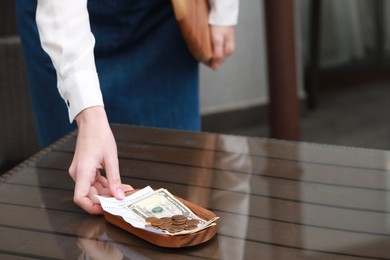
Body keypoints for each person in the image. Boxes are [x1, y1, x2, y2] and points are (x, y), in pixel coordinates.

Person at [15, 0, 239, 214]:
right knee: (79, 193)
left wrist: (224, 11)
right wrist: (89, 115)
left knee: (176, 188)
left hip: (160, 19)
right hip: (61, 23)